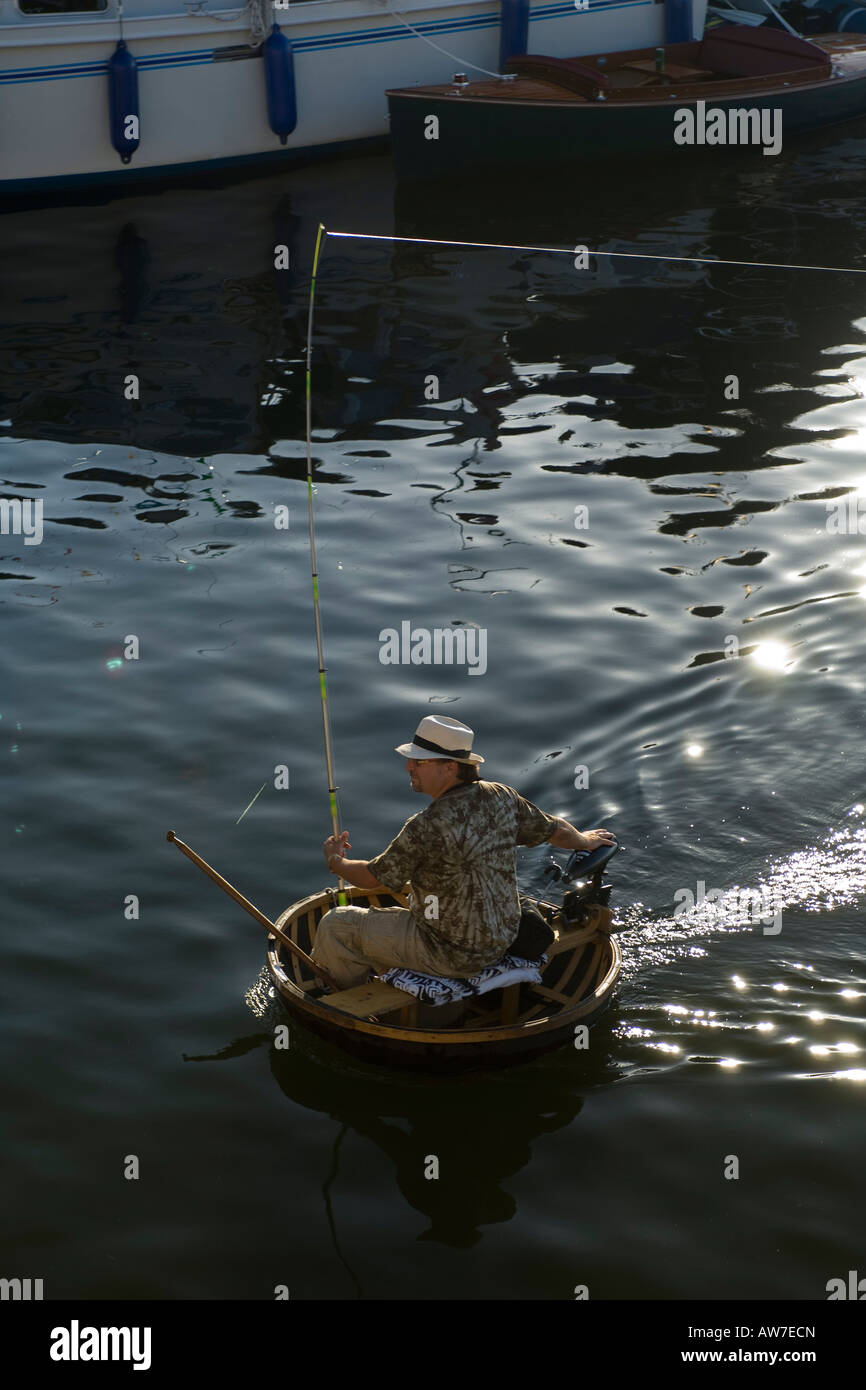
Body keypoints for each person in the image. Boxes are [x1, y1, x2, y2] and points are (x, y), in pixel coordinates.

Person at [311, 715, 616, 992]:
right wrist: (585, 840)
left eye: (420, 762)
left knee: (335, 925)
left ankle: (343, 999)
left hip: (449, 953)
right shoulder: (502, 797)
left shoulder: (426, 826)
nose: (408, 767)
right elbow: (556, 831)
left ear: (450, 768)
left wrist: (336, 861)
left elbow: (370, 878)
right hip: (503, 937)